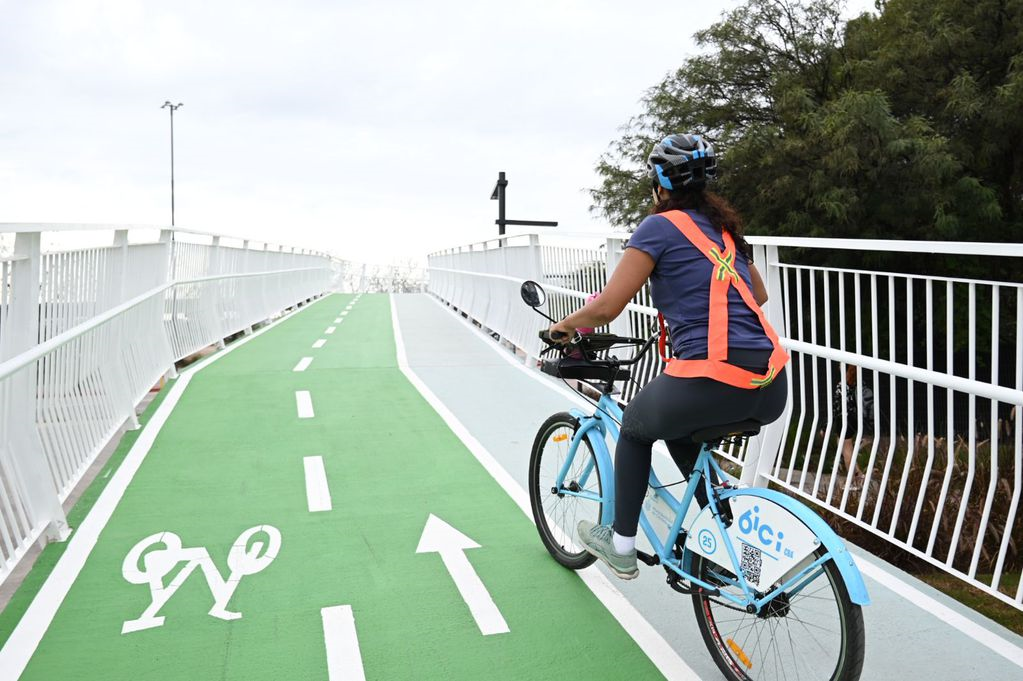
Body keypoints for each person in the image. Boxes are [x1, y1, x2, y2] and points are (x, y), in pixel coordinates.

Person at [548, 134, 790, 579]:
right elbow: (758, 293)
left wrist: (564, 327)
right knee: (682, 435)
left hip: (714, 378)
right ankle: (725, 539)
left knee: (637, 429)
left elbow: (607, 307)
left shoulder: (657, 227)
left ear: (659, 183)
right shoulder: (725, 231)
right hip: (772, 384)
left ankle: (620, 545)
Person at [833, 364, 873, 490]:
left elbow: (836, 407)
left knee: (847, 452)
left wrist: (825, 426)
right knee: (846, 449)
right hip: (854, 420)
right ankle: (858, 476)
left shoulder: (842, 386)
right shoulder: (857, 384)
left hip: (843, 420)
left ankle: (855, 480)